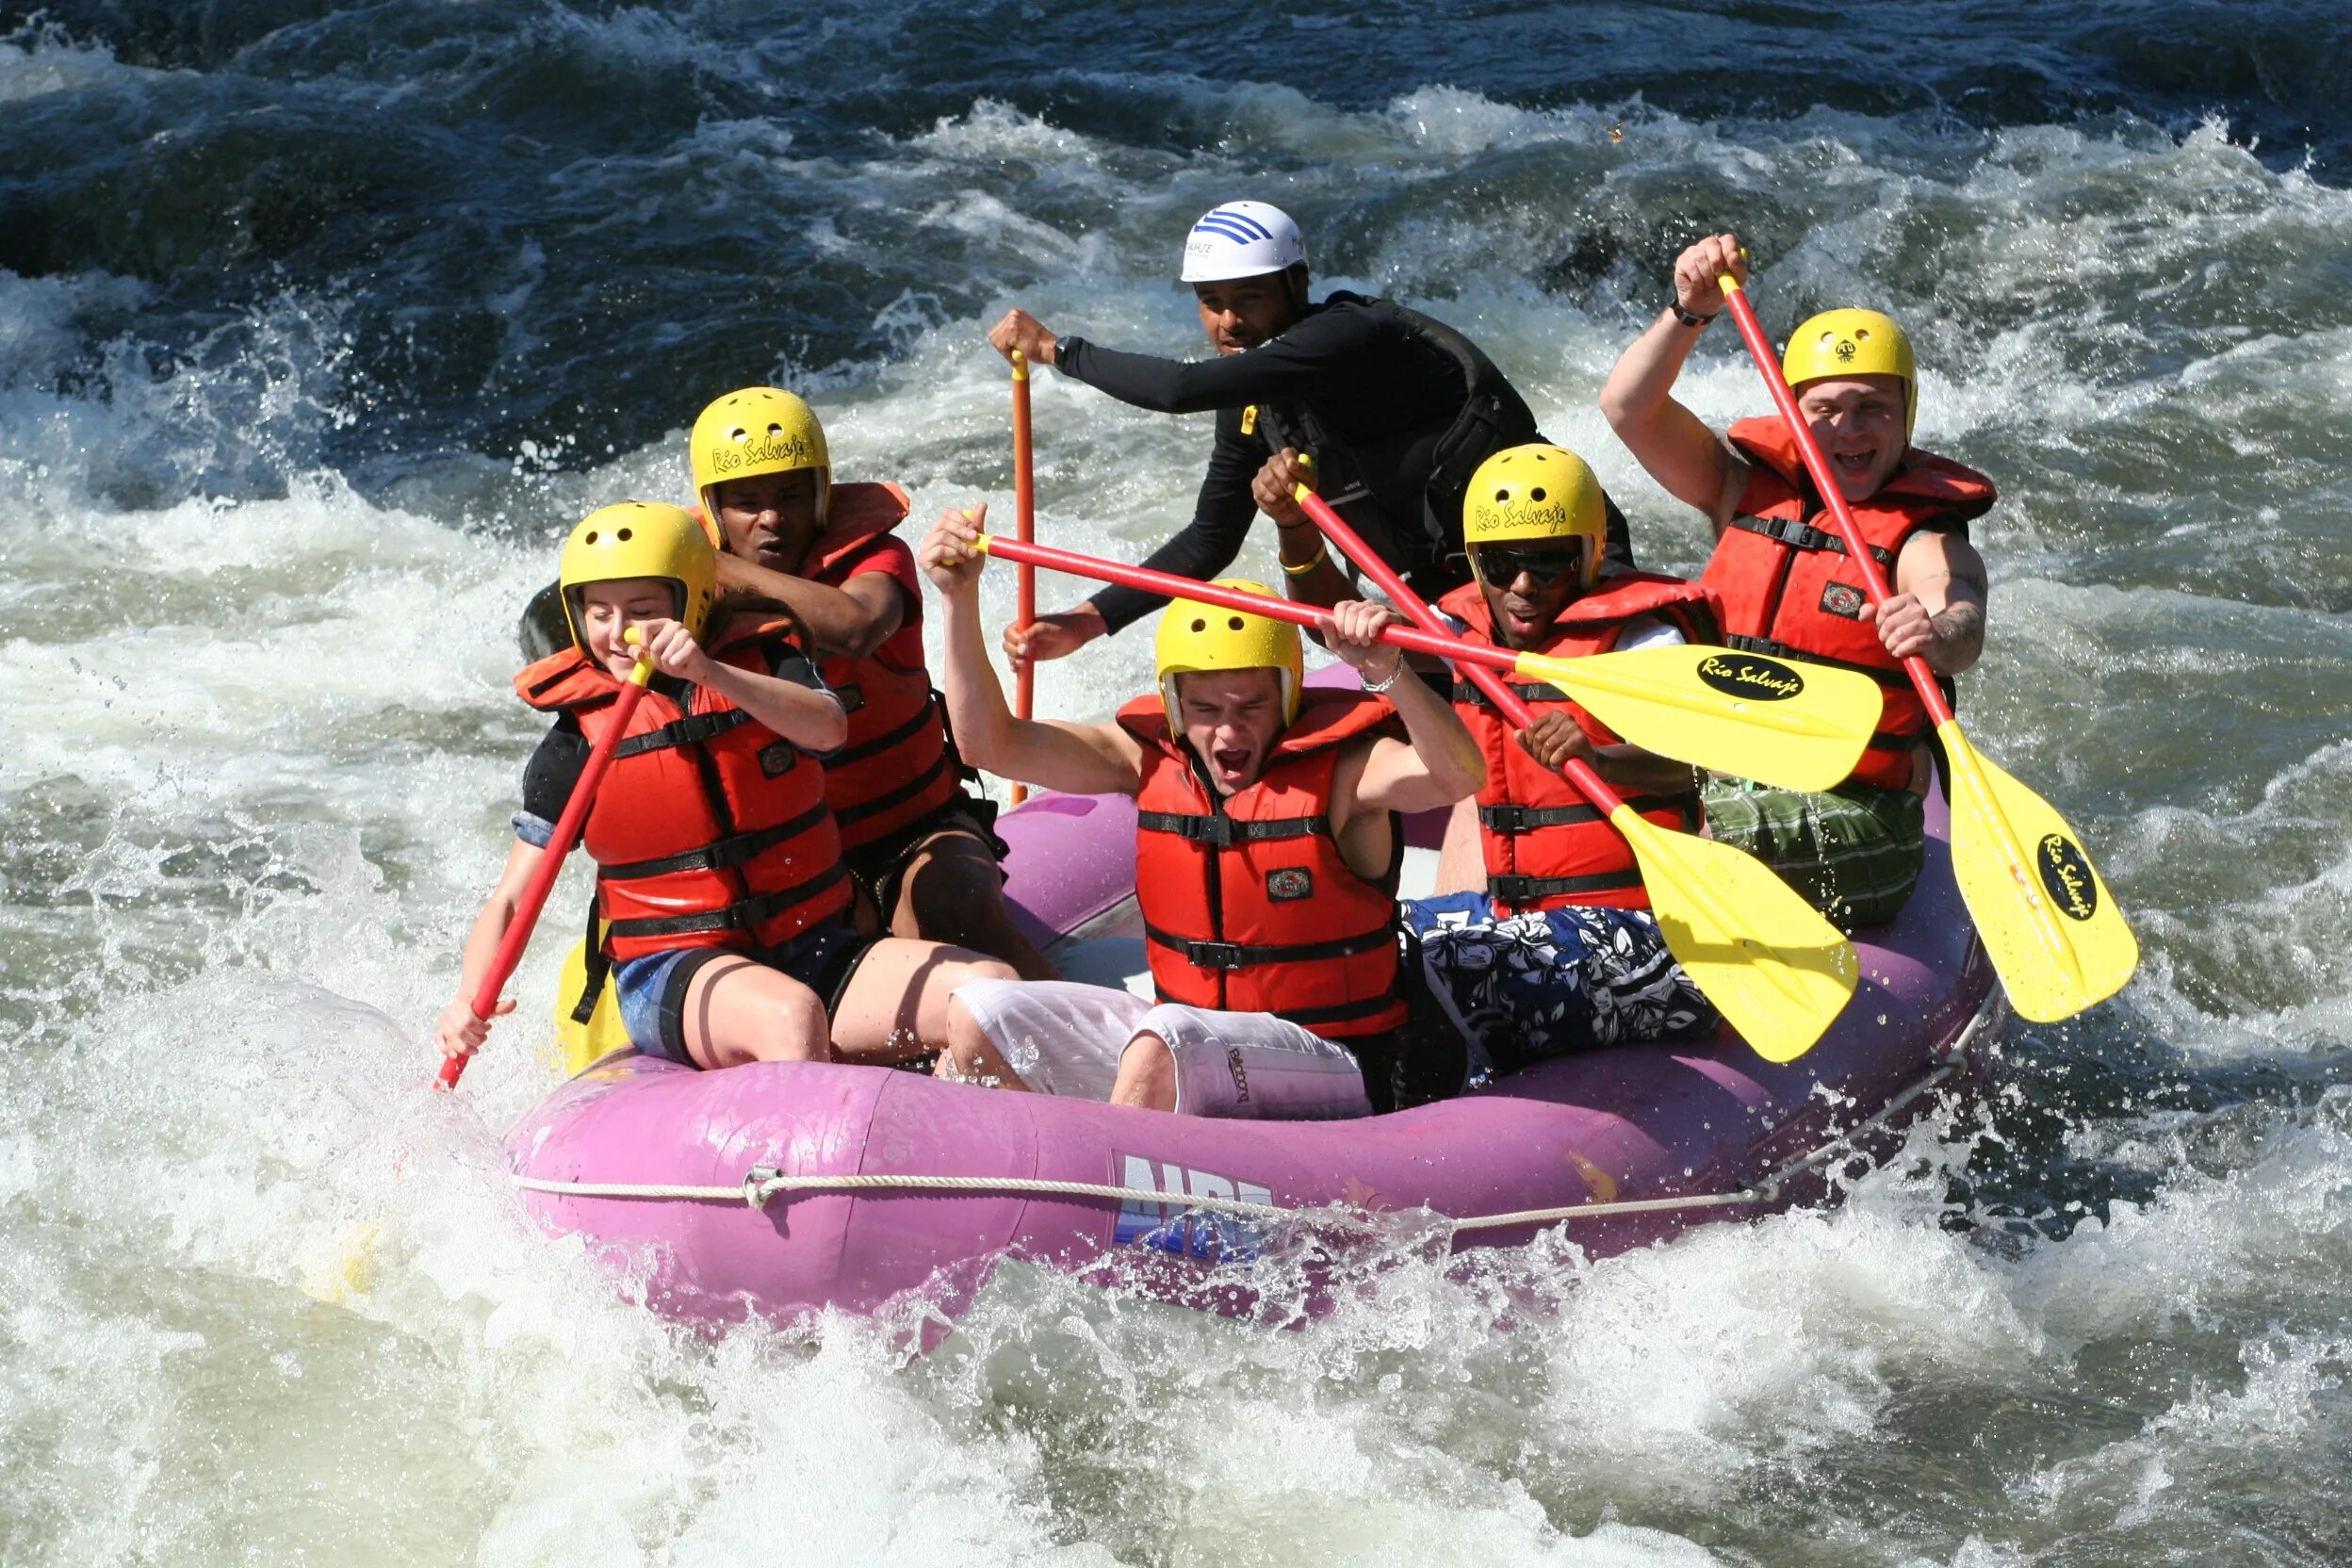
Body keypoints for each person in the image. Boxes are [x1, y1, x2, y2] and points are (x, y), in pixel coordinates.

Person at [921, 502, 1487, 1115]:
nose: (1227, 734)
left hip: (1335, 1058)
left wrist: (1390, 672)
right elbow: (988, 745)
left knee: (1165, 1044)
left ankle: (1113, 1190)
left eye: (1250, 707)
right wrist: (959, 598)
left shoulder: (1348, 775)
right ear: (1173, 704)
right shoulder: (1141, 760)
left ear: (1288, 696)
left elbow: (1458, 774)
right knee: (981, 1013)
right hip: (1193, 1042)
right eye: (1207, 710)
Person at [435, 500, 1022, 1083]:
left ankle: (965, 1143)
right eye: (599, 613)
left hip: (812, 944)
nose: (618, 633)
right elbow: (514, 897)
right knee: (793, 1018)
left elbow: (828, 726)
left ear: (693, 601)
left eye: (641, 609)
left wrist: (710, 673)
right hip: (674, 970)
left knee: (990, 995)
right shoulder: (574, 743)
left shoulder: (768, 662)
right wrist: (468, 999)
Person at [984, 200, 1635, 669]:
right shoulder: (1257, 403)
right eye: (1212, 302)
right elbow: (1210, 542)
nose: (1230, 322)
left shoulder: (1351, 338)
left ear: (1298, 283)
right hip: (1455, 595)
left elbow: (1178, 389)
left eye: (1250, 298)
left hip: (1557, 565)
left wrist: (1057, 349)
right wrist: (1087, 622)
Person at [1597, 234, 1993, 926]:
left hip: (1856, 811)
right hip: (1724, 768)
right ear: (1795, 415)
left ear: (1907, 417)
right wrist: (1688, 313)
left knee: (1692, 826)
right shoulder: (1737, 490)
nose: (1849, 427)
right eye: (1826, 408)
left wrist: (1934, 633)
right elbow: (1628, 409)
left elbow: (1961, 613)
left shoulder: (1921, 538)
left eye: (1874, 407)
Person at [683, 386, 1054, 981]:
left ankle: (1087, 1054)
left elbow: (856, 628)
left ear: (821, 495)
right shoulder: (685, 597)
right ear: (715, 510)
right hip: (792, 861)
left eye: (790, 495)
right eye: (747, 501)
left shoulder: (878, 559)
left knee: (954, 909)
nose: (772, 517)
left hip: (914, 835)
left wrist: (714, 564)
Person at [1415, 443, 1721, 1075]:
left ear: (1590, 557)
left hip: (1647, 938)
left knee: (1466, 960)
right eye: (1501, 565)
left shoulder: (1645, 643)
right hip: (1517, 925)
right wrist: (1300, 545)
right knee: (1382, 948)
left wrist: (1600, 757)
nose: (1523, 586)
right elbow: (1333, 619)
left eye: (1549, 564)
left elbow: (1697, 766)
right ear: (1476, 564)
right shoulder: (1465, 637)